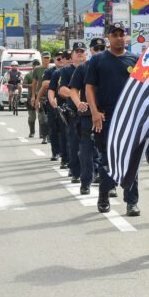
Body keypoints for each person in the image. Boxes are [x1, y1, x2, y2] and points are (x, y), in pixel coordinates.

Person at [85, 22, 141, 217]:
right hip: (106, 116)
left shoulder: (135, 59)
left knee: (131, 160)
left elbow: (143, 88)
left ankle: (131, 201)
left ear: (126, 37)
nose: (119, 37)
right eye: (115, 34)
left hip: (130, 117)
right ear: (108, 37)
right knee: (108, 160)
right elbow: (90, 87)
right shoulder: (98, 60)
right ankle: (103, 196)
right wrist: (94, 111)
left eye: (122, 34)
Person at [57, 42, 88, 186]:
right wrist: (75, 93)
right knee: (75, 145)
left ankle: (93, 173)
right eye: (77, 51)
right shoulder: (65, 71)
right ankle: (76, 173)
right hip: (74, 114)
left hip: (90, 113)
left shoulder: (92, 67)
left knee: (92, 146)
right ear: (72, 55)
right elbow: (61, 89)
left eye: (82, 51)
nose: (80, 53)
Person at [69, 42, 95, 195]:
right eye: (95, 49)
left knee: (107, 152)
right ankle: (86, 182)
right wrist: (79, 103)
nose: (98, 51)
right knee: (86, 151)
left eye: (101, 49)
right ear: (91, 51)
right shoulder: (83, 68)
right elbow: (73, 90)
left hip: (108, 115)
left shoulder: (109, 66)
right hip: (87, 116)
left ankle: (109, 184)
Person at [36, 52, 62, 159]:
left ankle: (64, 153)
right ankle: (55, 152)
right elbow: (44, 85)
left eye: (62, 58)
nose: (60, 60)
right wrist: (37, 99)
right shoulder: (49, 71)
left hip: (65, 102)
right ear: (55, 60)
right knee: (53, 128)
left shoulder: (70, 70)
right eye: (58, 58)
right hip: (52, 103)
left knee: (64, 130)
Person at [48, 51, 69, 170]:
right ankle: (65, 160)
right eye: (65, 58)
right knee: (65, 134)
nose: (67, 60)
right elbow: (51, 89)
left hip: (80, 107)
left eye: (69, 58)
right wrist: (52, 100)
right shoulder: (57, 73)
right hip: (63, 108)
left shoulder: (82, 69)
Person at [31, 52, 50, 143]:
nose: (46, 60)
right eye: (45, 58)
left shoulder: (53, 68)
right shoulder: (37, 69)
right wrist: (33, 96)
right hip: (41, 96)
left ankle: (50, 135)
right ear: (42, 59)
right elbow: (34, 84)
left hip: (51, 96)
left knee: (51, 117)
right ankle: (44, 136)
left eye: (48, 58)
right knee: (43, 118)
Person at [23, 59, 39, 138]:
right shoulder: (29, 75)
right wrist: (32, 85)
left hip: (41, 97)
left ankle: (43, 133)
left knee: (42, 116)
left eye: (37, 64)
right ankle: (32, 132)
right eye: (34, 64)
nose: (36, 66)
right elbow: (23, 85)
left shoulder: (43, 74)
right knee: (32, 116)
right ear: (32, 66)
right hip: (31, 97)